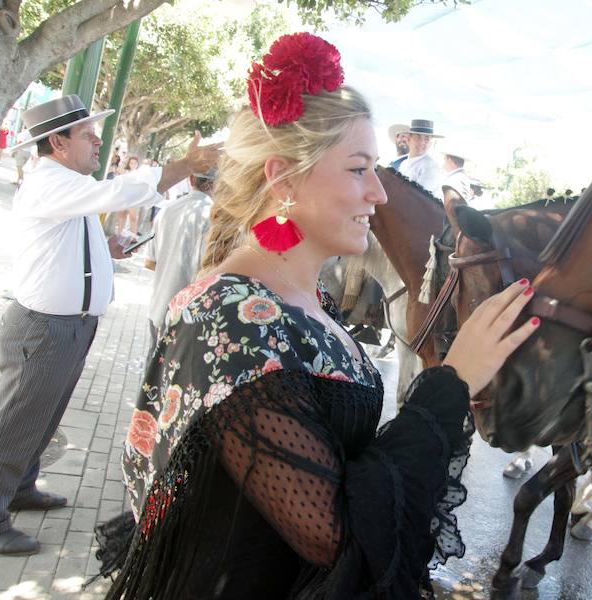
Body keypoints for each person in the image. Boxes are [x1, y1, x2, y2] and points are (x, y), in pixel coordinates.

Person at [97, 32, 539, 599]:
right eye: (359, 169)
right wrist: (450, 384)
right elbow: (341, 536)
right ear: (283, 179)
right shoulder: (236, 322)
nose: (379, 194)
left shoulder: (303, 303)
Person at [0, 94, 220, 556]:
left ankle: (19, 487)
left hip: (65, 327)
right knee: (18, 419)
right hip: (45, 327)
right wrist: (184, 165)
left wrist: (107, 251)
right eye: (86, 134)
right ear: (57, 142)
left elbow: (75, 240)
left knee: (42, 413)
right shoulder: (51, 181)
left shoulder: (65, 183)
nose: (97, 141)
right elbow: (121, 192)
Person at [142, 169, 216, 356]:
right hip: (188, 315)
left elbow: (150, 262)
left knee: (151, 376)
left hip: (158, 307)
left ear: (191, 179)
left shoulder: (166, 210)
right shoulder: (214, 217)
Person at [397, 119, 445, 199]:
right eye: (418, 137)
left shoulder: (431, 166)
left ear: (430, 144)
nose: (422, 142)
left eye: (427, 139)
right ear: (409, 140)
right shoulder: (403, 164)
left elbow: (417, 197)